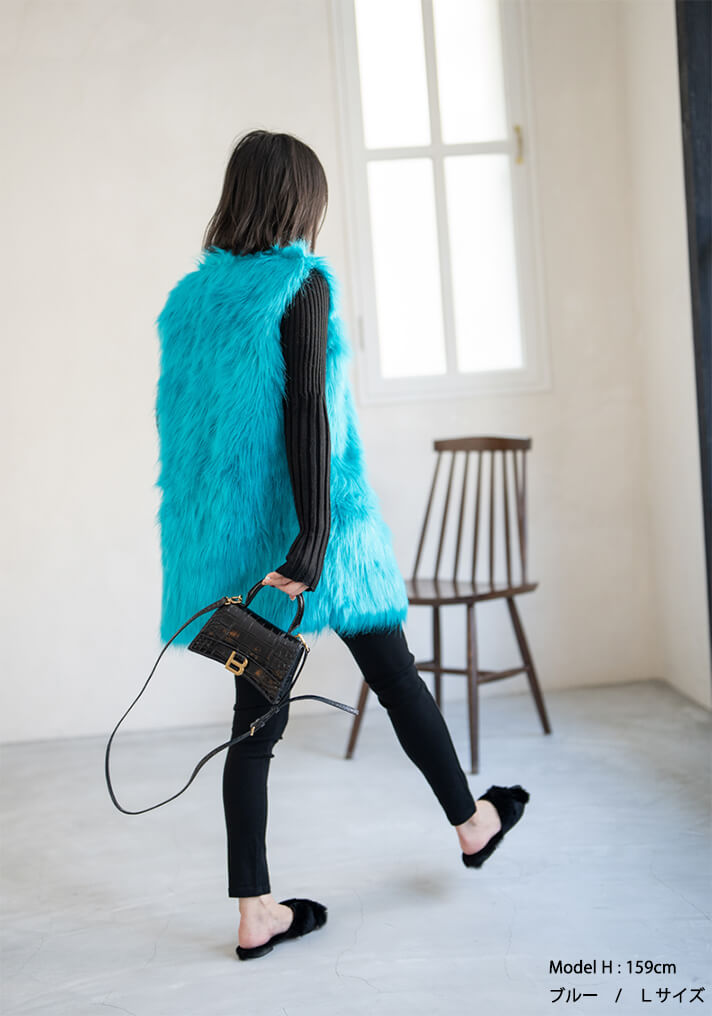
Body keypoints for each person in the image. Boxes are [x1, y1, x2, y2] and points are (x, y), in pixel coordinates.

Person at [154, 129, 529, 961]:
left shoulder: (190, 303)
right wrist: (315, 540)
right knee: (396, 679)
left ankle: (256, 912)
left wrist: (224, 550)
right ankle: (472, 824)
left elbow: (188, 440)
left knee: (254, 724)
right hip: (316, 538)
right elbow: (307, 413)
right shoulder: (300, 282)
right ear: (298, 202)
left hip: (237, 553)